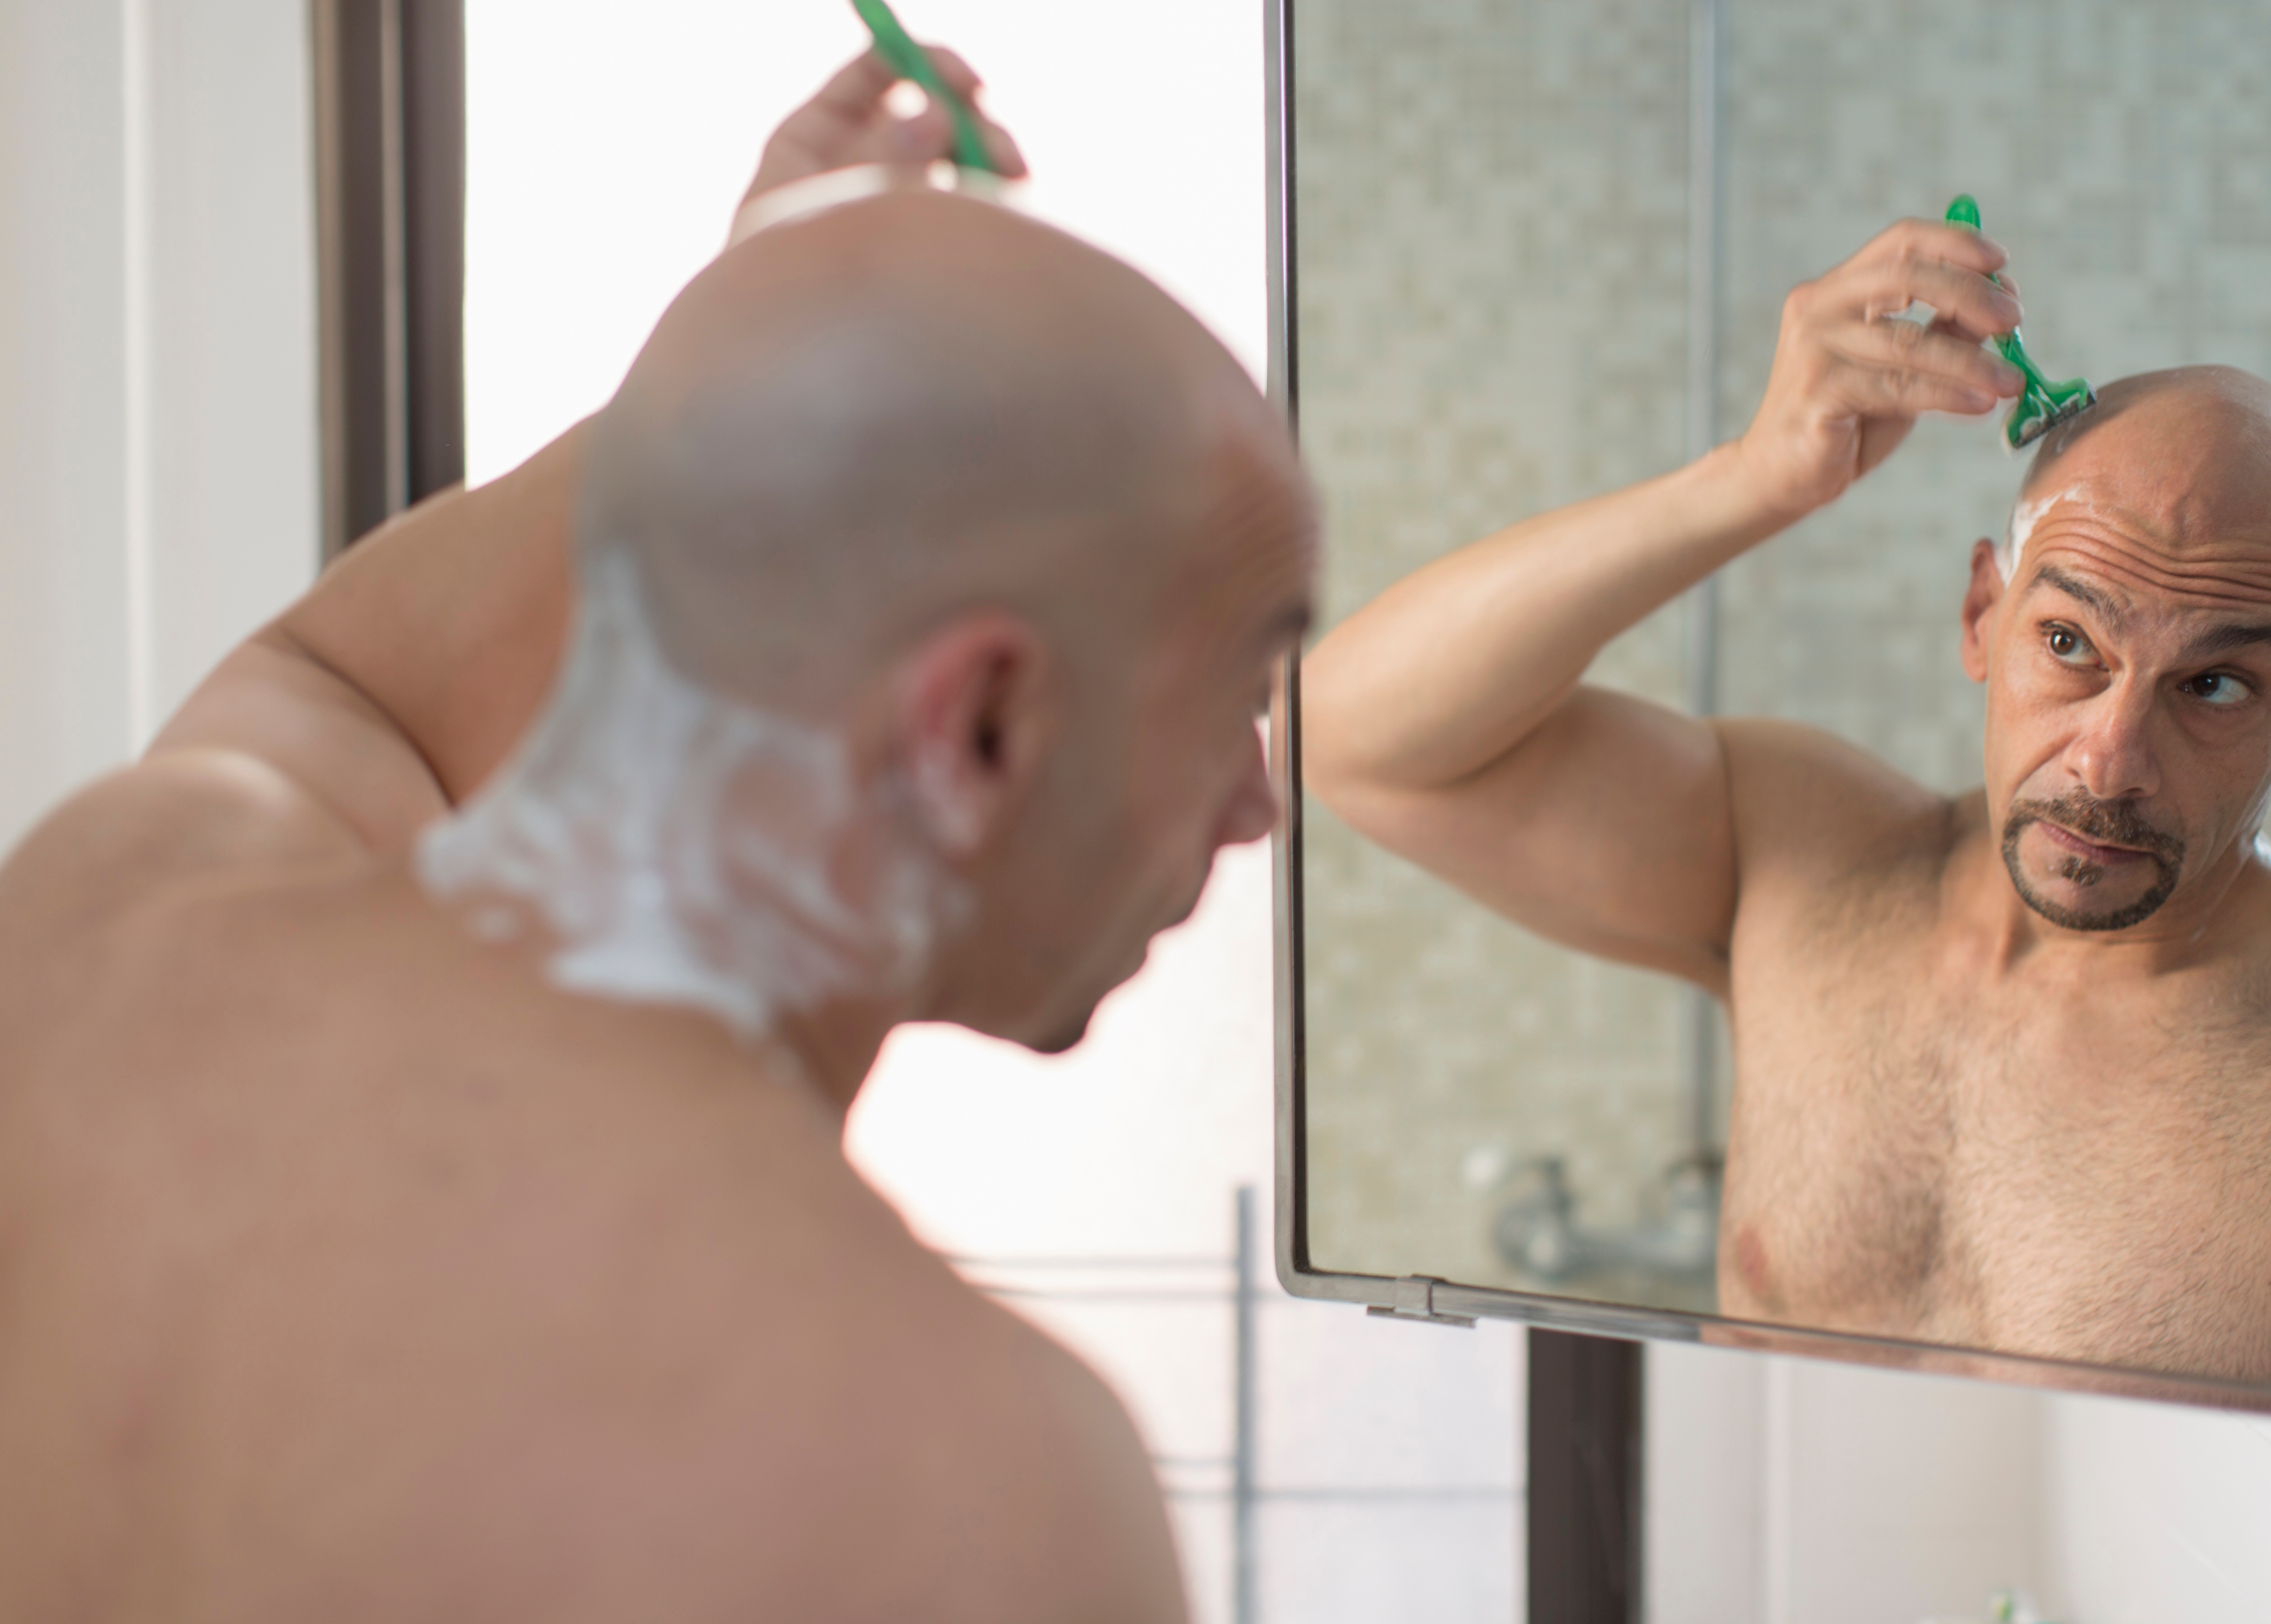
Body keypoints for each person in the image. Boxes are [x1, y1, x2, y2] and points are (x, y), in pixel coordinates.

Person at [0, 47, 1314, 1619]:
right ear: (977, 729)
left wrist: (759, 391)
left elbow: (348, 675)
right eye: (1240, 684)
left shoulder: (119, 915)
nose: (1261, 802)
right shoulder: (961, 1481)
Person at [1300, 216, 2271, 1398]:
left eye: (2214, 686)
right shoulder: (1803, 869)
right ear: (1979, 620)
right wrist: (1752, 478)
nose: (2109, 763)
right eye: (2067, 643)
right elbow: (1350, 737)